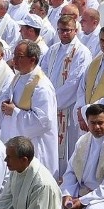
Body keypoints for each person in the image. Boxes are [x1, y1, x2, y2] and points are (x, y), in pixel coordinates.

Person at [0, 40, 59, 177]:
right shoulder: (19, 77)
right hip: (16, 142)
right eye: (14, 55)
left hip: (35, 146)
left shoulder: (41, 86)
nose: (14, 60)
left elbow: (43, 122)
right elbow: (6, 95)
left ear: (32, 59)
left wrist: (14, 111)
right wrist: (4, 103)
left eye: (19, 56)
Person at [40, 14, 89, 173]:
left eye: (68, 30)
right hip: (51, 106)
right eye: (61, 30)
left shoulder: (82, 53)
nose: (64, 33)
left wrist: (52, 101)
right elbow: (43, 73)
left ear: (76, 30)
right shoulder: (53, 49)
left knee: (68, 149)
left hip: (67, 108)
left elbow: (74, 83)